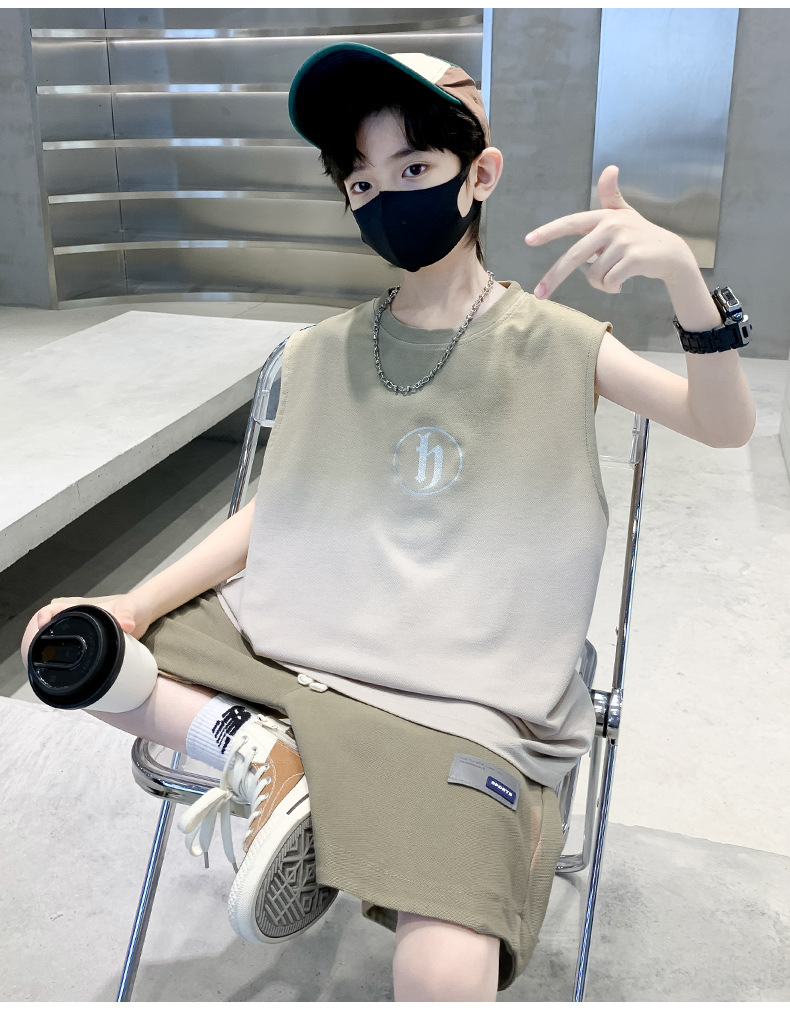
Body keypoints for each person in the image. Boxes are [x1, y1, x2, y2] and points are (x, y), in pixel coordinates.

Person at [20, 43, 756, 1001]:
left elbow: (721, 424)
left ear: (479, 174)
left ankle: (283, 767)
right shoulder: (323, 350)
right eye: (363, 183)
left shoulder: (557, 343)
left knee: (442, 972)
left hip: (467, 689)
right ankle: (262, 751)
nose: (386, 198)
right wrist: (134, 602)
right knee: (62, 641)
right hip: (296, 636)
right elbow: (276, 512)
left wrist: (686, 280)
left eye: (414, 169)